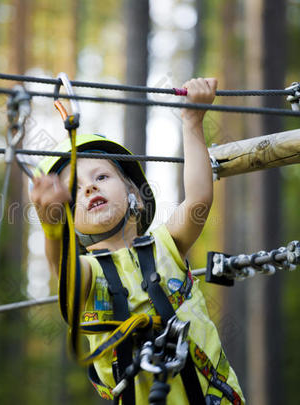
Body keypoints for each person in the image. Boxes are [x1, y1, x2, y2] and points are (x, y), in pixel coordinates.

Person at [30, 78, 244, 404]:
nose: (89, 189)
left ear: (135, 195)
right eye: (74, 191)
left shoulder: (166, 245)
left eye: (101, 177)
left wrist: (192, 122)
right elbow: (63, 268)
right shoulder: (88, 274)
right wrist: (51, 225)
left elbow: (199, 199)